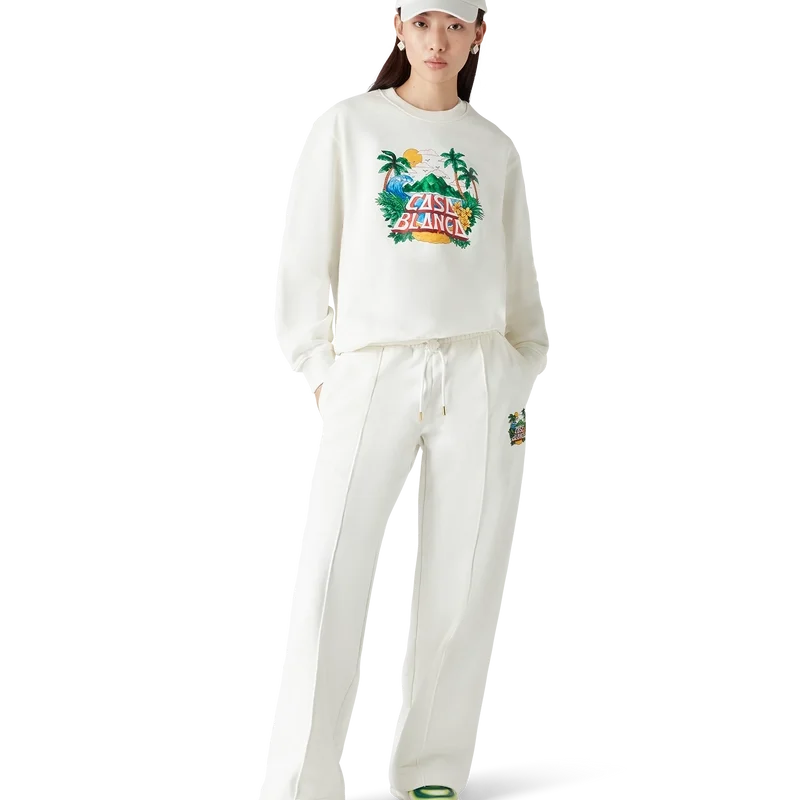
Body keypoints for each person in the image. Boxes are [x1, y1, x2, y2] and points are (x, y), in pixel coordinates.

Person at [269, 2, 548, 798]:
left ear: (479, 34)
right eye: (423, 23)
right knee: (331, 571)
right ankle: (304, 778)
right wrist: (319, 368)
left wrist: (522, 366)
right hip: (372, 365)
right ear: (397, 26)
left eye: (455, 25)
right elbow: (305, 256)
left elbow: (519, 266)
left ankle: (431, 772)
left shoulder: (493, 144)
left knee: (466, 577)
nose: (437, 41)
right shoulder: (348, 124)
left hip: (480, 368)